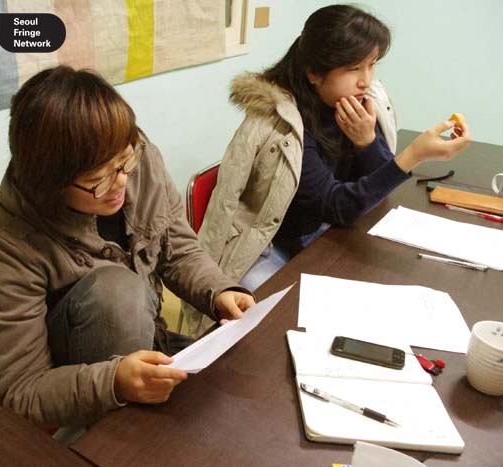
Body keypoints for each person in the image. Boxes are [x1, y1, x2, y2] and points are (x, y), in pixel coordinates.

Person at [0, 65, 255, 429]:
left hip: (150, 345)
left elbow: (179, 248)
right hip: (78, 385)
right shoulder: (5, 243)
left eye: (125, 162)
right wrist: (114, 381)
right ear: (49, 184)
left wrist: (218, 291)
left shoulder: (137, 158)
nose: (121, 181)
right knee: (117, 291)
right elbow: (23, 390)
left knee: (239, 397)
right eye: (98, 180)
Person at [182, 4, 471, 338]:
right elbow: (337, 205)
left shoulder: (353, 105)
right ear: (314, 72)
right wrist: (412, 156)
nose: (366, 80)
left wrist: (367, 142)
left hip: (321, 233)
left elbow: (377, 193)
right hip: (264, 245)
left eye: (372, 65)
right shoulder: (282, 124)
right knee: (282, 328)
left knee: (373, 305)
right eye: (353, 68)